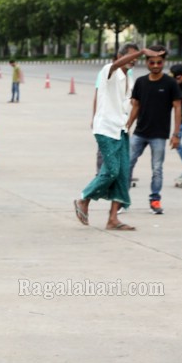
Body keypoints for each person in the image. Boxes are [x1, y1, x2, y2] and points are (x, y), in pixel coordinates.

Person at [73, 43, 161, 232]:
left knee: (122, 175)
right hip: (105, 129)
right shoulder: (108, 70)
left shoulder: (129, 77)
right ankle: (83, 199)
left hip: (120, 129)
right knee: (111, 170)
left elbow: (130, 104)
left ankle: (113, 219)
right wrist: (142, 52)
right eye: (131, 56)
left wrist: (129, 123)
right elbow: (113, 69)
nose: (135, 59)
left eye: (136, 57)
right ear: (120, 56)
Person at [127, 45, 182, 215]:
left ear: (164, 62)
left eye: (159, 62)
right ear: (147, 63)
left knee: (157, 169)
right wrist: (127, 126)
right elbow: (136, 106)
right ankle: (122, 200)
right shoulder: (141, 82)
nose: (156, 65)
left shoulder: (170, 83)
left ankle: (155, 200)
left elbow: (177, 108)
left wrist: (176, 134)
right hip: (139, 133)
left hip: (159, 135)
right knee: (127, 164)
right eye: (152, 62)